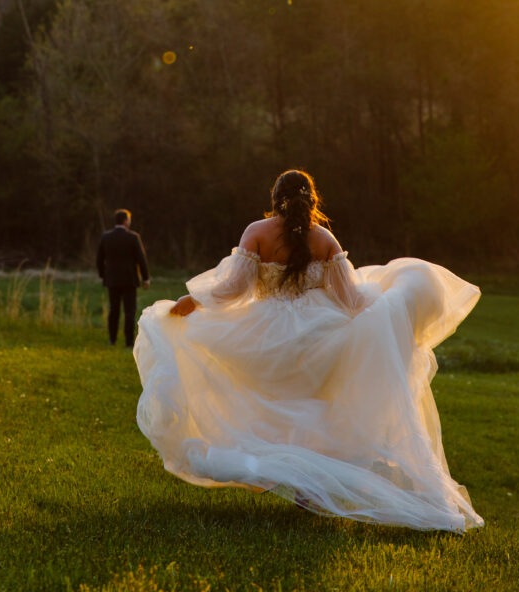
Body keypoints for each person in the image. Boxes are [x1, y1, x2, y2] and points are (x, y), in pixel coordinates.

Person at [133, 170, 484, 531]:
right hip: (319, 338)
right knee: (316, 409)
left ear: (275, 198)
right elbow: (349, 300)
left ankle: (282, 471)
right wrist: (390, 308)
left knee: (271, 404)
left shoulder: (257, 232)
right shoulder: (325, 239)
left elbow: (233, 290)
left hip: (265, 339)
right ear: (312, 199)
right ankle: (310, 488)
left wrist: (191, 301)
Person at [97, 209, 150, 347]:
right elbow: (141, 259)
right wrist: (146, 278)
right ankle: (129, 342)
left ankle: (112, 340)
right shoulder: (133, 237)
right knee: (129, 312)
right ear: (126, 221)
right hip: (129, 280)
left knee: (113, 310)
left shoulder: (105, 237)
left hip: (112, 280)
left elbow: (99, 259)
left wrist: (104, 275)